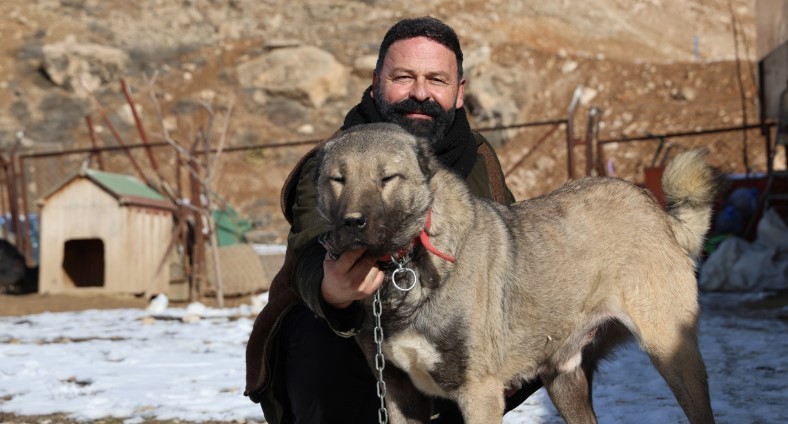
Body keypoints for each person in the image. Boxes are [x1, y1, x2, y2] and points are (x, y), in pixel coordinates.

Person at [245, 16, 542, 423]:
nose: (419, 93)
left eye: (436, 79)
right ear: (376, 83)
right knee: (318, 339)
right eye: (403, 77)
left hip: (454, 337)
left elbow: (510, 241)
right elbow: (309, 247)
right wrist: (332, 292)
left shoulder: (478, 157)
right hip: (352, 348)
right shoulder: (335, 160)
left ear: (459, 92)